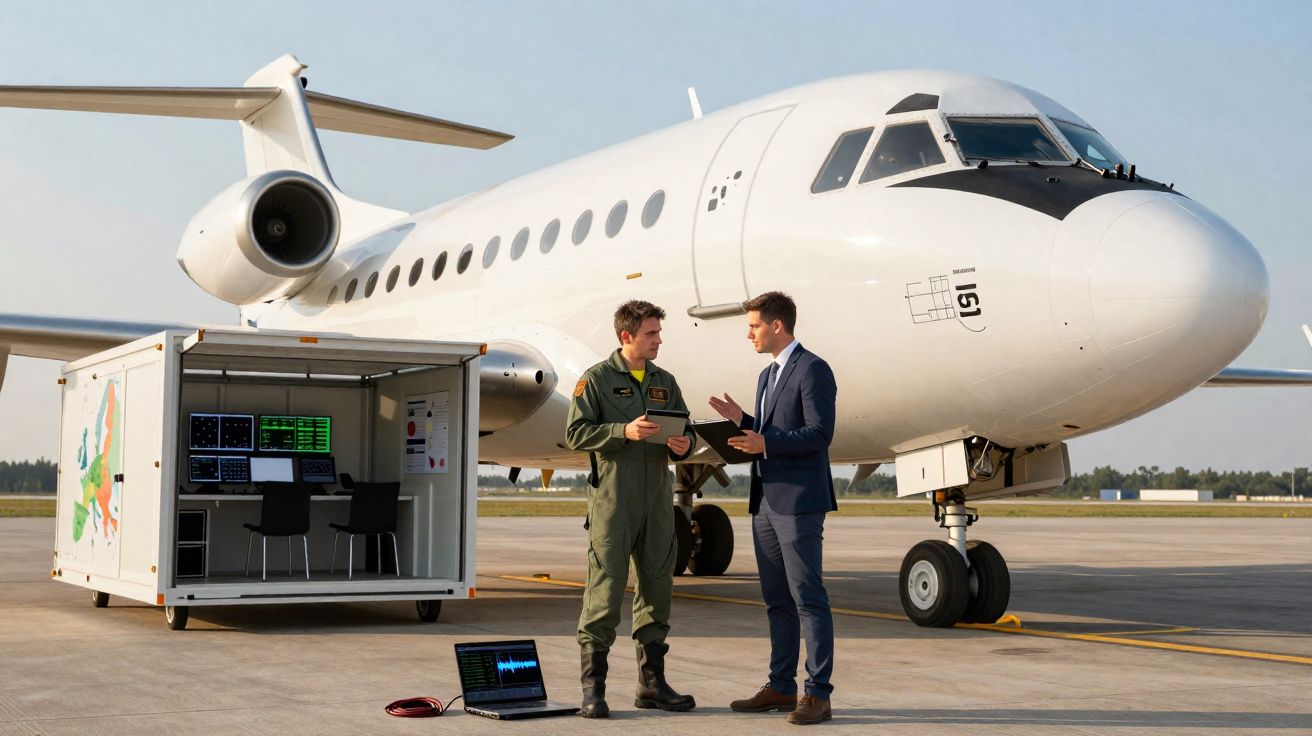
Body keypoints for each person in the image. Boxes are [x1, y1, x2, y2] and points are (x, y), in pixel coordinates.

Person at [708, 291, 838, 726]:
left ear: (777, 325)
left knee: (808, 599)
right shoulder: (767, 376)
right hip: (764, 500)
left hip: (798, 501)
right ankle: (781, 686)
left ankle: (817, 694)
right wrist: (743, 420)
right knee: (776, 600)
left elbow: (819, 433)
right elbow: (770, 430)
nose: (749, 334)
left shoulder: (813, 369)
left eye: (754, 326)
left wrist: (765, 441)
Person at [565, 300, 698, 718]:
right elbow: (575, 433)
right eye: (651, 334)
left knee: (658, 588)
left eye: (658, 333)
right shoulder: (597, 380)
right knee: (604, 592)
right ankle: (594, 690)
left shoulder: (665, 381)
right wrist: (623, 430)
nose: (659, 340)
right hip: (614, 502)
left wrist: (685, 444)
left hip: (657, 502)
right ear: (627, 337)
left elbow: (687, 430)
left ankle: (652, 685)